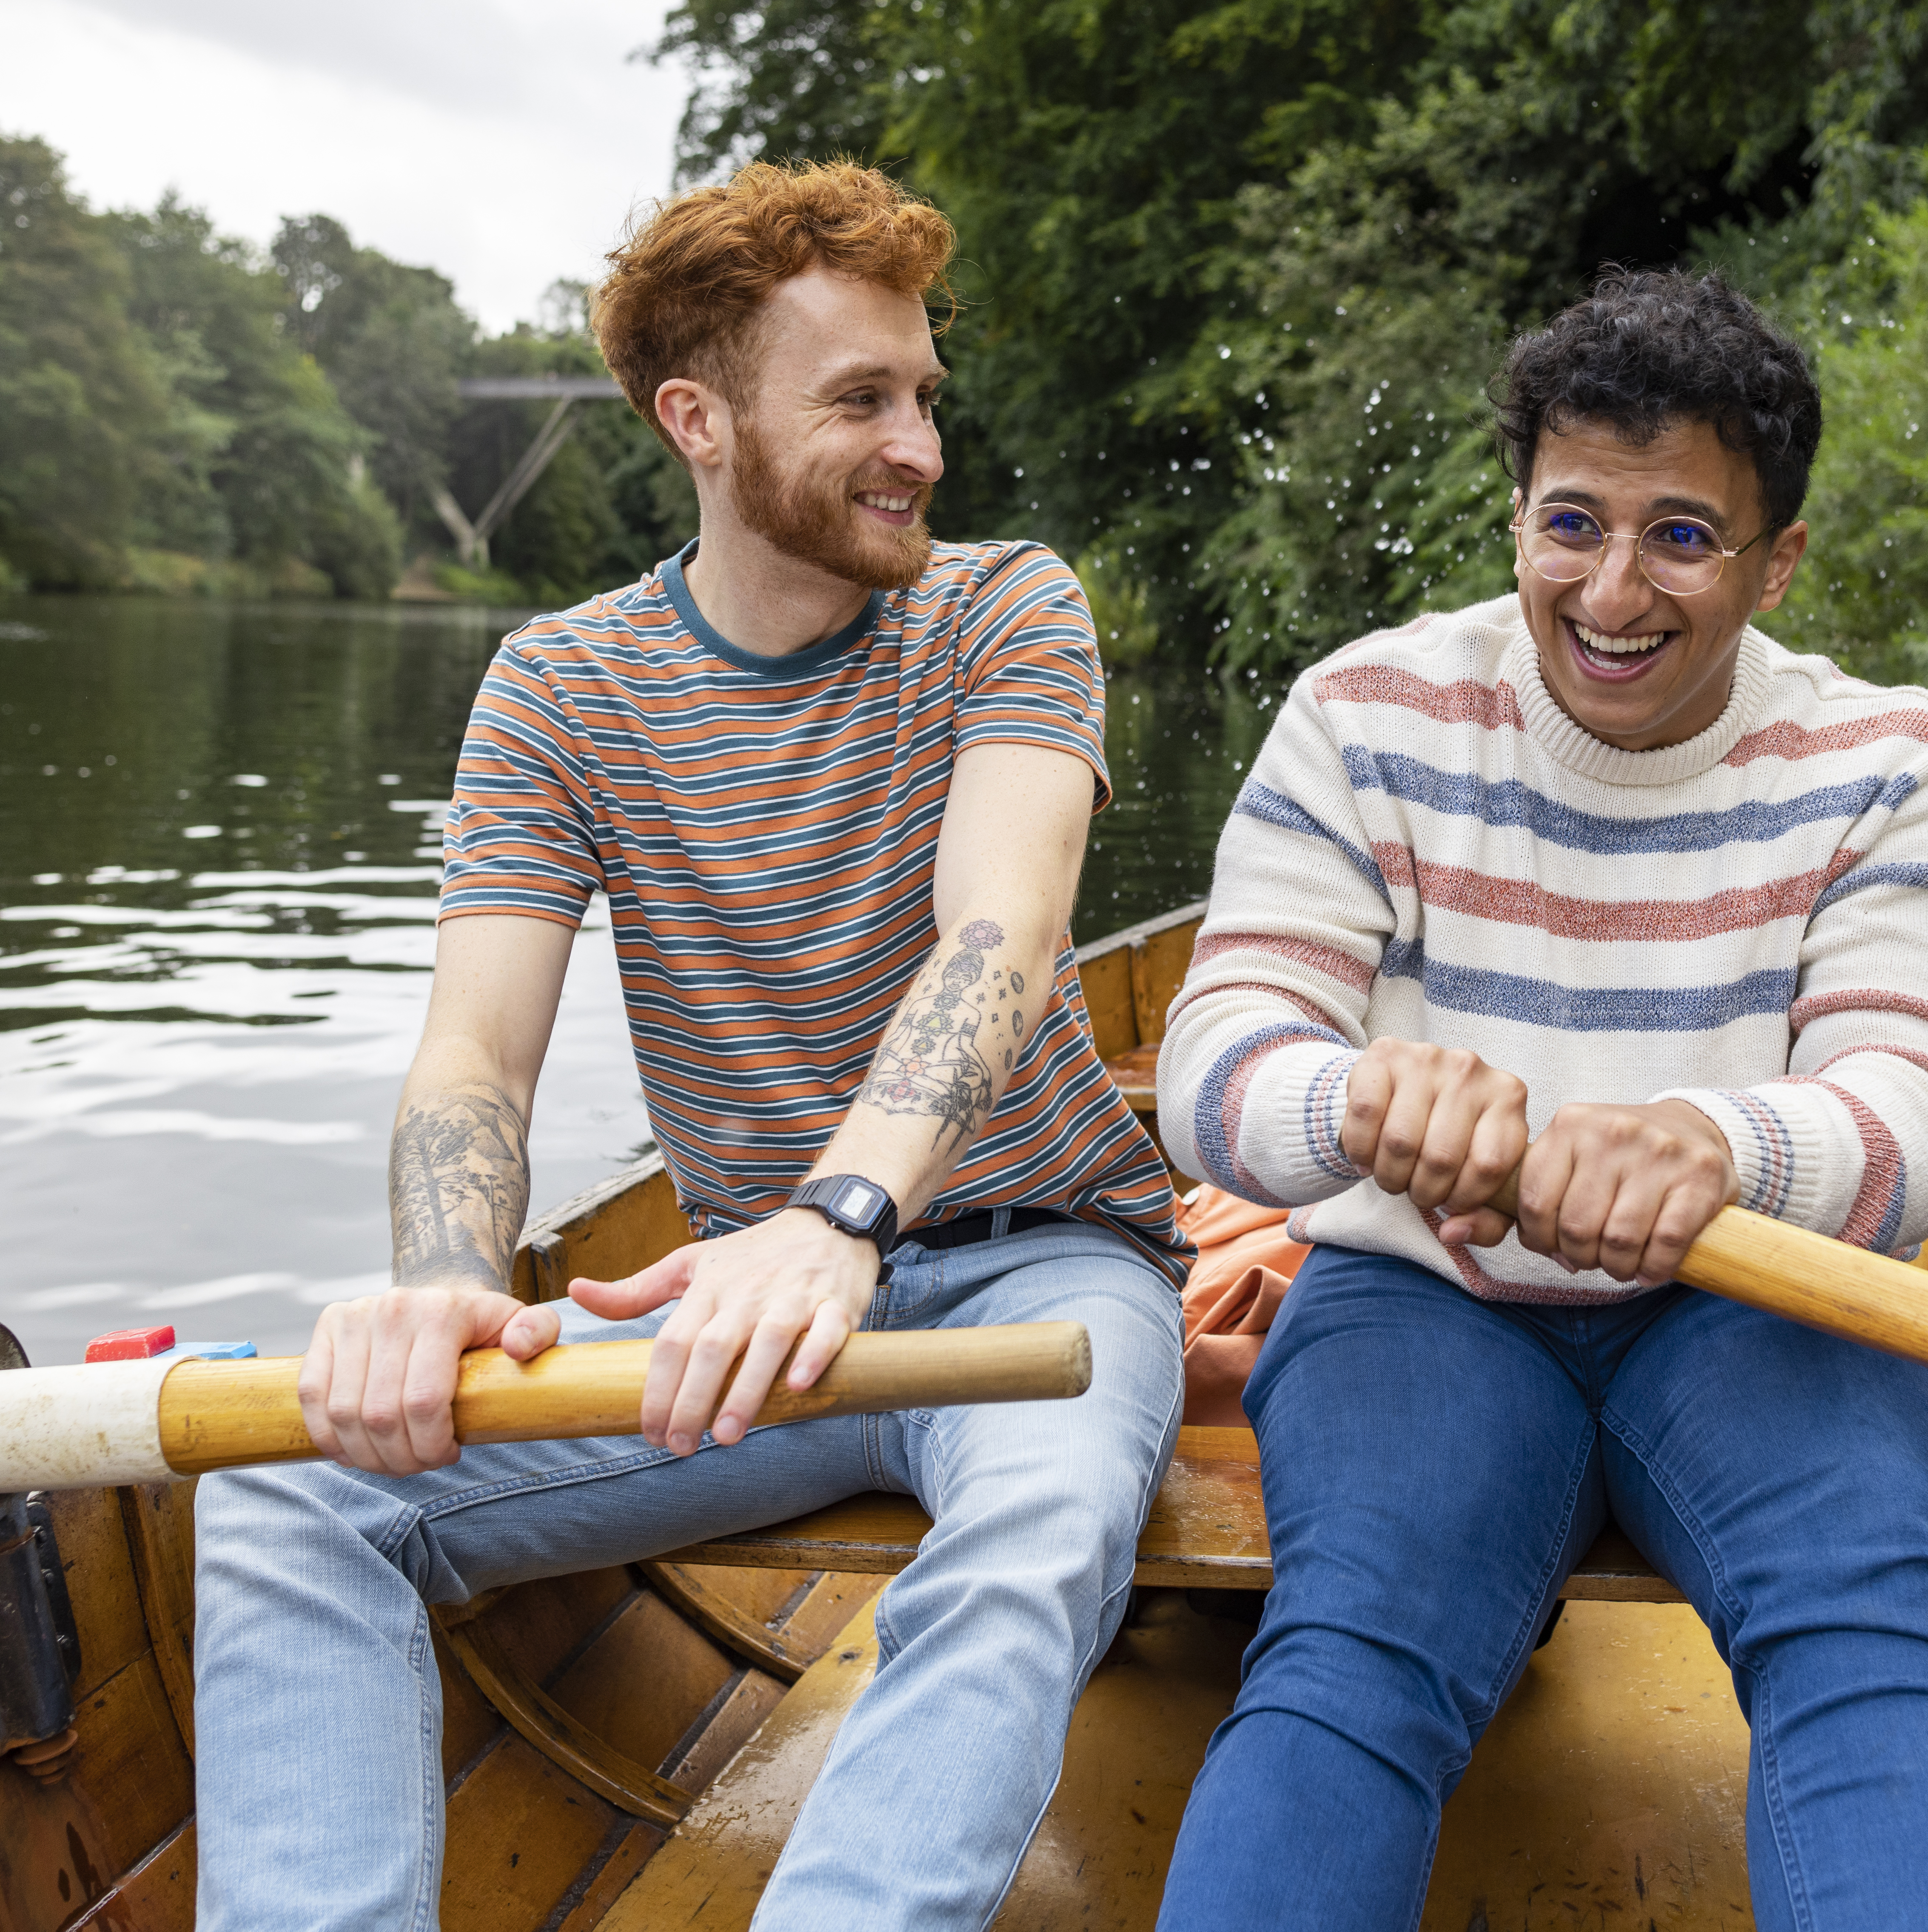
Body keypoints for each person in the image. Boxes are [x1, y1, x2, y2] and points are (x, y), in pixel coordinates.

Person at [190, 162, 1188, 1932]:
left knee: (1028, 1546)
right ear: (697, 421)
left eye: (923, 397)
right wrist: (438, 1279)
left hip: (1040, 1277)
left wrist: (840, 1217)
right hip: (747, 1322)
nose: (920, 448)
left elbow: (1002, 938)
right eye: (860, 401)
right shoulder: (560, 688)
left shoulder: (1003, 609)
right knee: (283, 1481)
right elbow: (475, 1057)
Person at [1153, 267, 1928, 1927]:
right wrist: (1356, 1102)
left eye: (1681, 536)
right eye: (1571, 524)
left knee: (1877, 1641)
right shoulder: (1362, 716)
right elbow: (1213, 1064)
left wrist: (1716, 1145)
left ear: (1777, 561)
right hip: (1431, 1298)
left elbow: (1914, 1116)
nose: (1612, 589)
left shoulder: (1896, 765)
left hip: (1763, 1301)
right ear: (1517, 517)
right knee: (1353, 1649)